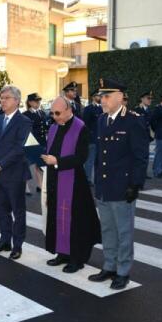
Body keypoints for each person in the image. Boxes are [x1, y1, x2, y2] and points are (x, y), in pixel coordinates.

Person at [89, 78, 148, 290]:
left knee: (124, 232)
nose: (102, 100)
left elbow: (140, 157)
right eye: (101, 96)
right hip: (104, 186)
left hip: (123, 187)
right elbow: (99, 156)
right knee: (107, 229)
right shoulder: (101, 120)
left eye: (107, 96)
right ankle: (109, 266)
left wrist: (135, 184)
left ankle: (123, 271)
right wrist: (96, 181)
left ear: (120, 96)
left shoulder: (134, 120)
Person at [42, 96, 101, 273]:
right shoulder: (53, 128)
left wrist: (57, 161)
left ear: (69, 110)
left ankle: (77, 259)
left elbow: (81, 157)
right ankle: (62, 253)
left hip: (74, 182)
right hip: (55, 179)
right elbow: (50, 151)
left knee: (75, 222)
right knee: (57, 217)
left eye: (58, 113)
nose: (54, 117)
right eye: (52, 113)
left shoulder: (80, 127)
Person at [0, 85, 32, 260]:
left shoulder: (24, 122)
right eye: (1, 98)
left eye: (5, 98)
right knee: (1, 209)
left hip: (15, 173)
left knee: (18, 211)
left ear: (17, 101)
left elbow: (20, 148)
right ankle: (5, 240)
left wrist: (0, 165)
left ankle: (17, 245)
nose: (2, 101)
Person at [22, 92, 48, 194]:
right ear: (30, 102)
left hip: (41, 142)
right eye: (36, 101)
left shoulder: (42, 113)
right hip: (30, 143)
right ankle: (25, 186)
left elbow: (45, 127)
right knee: (26, 165)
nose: (38, 103)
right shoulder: (25, 115)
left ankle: (40, 185)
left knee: (40, 165)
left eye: (39, 101)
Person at [81, 90, 103, 184]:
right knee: (90, 160)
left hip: (101, 138)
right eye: (98, 96)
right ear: (93, 97)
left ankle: (98, 178)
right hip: (91, 139)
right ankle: (87, 178)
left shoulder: (102, 108)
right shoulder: (88, 109)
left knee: (99, 160)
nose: (100, 98)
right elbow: (85, 124)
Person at [134, 90, 154, 179]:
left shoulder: (149, 110)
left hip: (146, 137)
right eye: (148, 98)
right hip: (138, 137)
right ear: (142, 99)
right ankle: (137, 173)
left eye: (151, 99)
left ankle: (143, 173)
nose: (150, 100)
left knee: (146, 156)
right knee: (138, 157)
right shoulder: (136, 110)